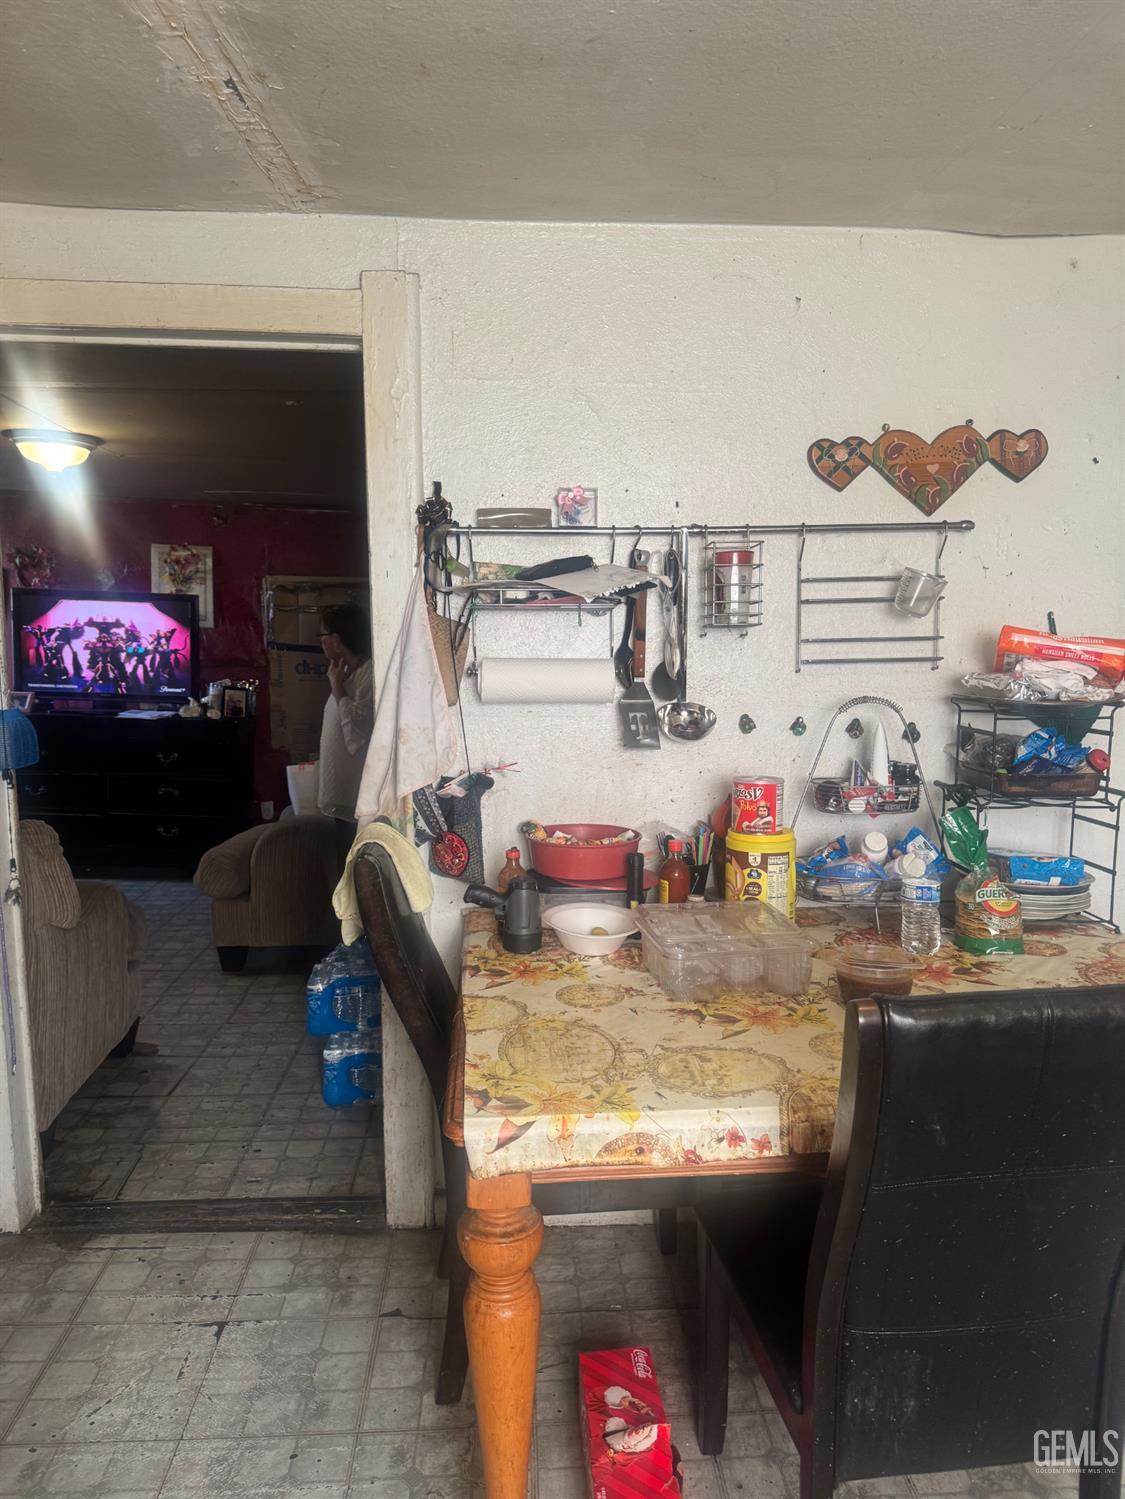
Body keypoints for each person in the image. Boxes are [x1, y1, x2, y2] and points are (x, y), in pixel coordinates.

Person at [316, 602, 375, 867]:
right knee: (344, 863)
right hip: (341, 789)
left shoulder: (368, 674)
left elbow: (358, 730)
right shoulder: (347, 670)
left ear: (337, 641)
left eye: (323, 636)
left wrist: (337, 686)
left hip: (355, 792)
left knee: (352, 866)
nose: (322, 642)